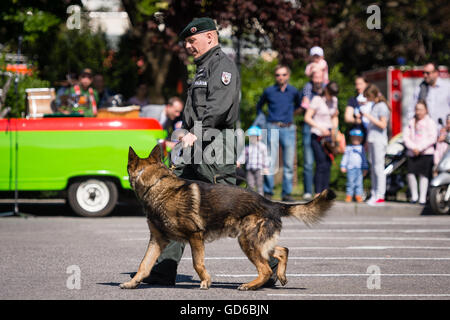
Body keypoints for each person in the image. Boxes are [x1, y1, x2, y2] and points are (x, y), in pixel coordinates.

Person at [133, 17, 274, 286]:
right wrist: (185, 133)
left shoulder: (222, 66)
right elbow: (195, 110)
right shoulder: (202, 68)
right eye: (186, 41)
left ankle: (271, 263)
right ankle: (164, 269)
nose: (187, 45)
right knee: (174, 206)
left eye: (191, 40)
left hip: (215, 145)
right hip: (195, 143)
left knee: (235, 209)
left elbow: (218, 107)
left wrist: (195, 132)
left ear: (210, 37)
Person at [256, 64, 302, 201]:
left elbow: (299, 106)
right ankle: (268, 192)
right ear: (275, 76)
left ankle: (286, 193)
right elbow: (259, 107)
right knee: (270, 161)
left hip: (288, 128)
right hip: (272, 127)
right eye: (278, 75)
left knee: (289, 163)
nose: (281, 77)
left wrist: (290, 115)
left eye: (283, 74)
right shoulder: (269, 91)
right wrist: (262, 123)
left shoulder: (293, 91)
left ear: (288, 76)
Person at [304, 81, 339, 194]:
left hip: (329, 136)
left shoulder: (334, 100)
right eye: (331, 93)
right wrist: (320, 128)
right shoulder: (317, 100)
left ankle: (325, 192)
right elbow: (307, 118)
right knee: (321, 163)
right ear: (326, 90)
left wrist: (335, 130)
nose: (332, 96)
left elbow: (334, 117)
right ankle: (318, 193)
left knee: (328, 163)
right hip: (317, 135)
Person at [360, 84, 391, 206]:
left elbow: (383, 124)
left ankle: (380, 195)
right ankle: (374, 193)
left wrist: (368, 117)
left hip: (379, 140)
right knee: (373, 167)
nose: (367, 99)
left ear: (373, 95)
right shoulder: (375, 105)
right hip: (372, 139)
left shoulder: (382, 106)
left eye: (368, 97)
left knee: (378, 168)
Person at [403, 100, 438, 205]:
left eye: (421, 109)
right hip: (413, 152)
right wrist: (413, 147)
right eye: (417, 109)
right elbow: (406, 137)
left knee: (424, 175)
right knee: (411, 174)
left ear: (426, 110)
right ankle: (414, 196)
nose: (418, 112)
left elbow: (432, 138)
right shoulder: (411, 122)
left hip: (426, 152)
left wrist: (420, 147)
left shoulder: (430, 122)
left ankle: (422, 198)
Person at [300, 71, 326, 200]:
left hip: (322, 128)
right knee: (308, 161)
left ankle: (321, 189)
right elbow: (304, 105)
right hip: (309, 127)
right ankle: (308, 191)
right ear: (312, 78)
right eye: (315, 77)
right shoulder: (307, 88)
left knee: (322, 161)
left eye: (320, 77)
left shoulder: (326, 89)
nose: (317, 80)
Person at [412, 62, 450, 128]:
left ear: (436, 73)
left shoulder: (447, 87)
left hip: (444, 131)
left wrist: (447, 127)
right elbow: (411, 110)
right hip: (425, 132)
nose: (425, 75)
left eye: (428, 73)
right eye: (423, 73)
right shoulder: (419, 89)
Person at [237, 126, 269, 196]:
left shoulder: (262, 147)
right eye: (251, 137)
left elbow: (265, 158)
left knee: (259, 185)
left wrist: (266, 167)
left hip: (259, 169)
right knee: (250, 185)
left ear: (259, 137)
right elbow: (243, 156)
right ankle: (251, 198)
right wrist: (239, 162)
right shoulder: (247, 147)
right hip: (250, 170)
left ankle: (260, 199)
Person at [340, 128, 369, 203]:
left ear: (361, 139)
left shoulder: (362, 148)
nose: (356, 139)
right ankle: (349, 195)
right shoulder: (348, 148)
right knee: (350, 182)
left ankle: (358, 196)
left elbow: (364, 159)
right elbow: (345, 157)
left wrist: (365, 168)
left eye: (358, 138)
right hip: (350, 168)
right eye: (354, 138)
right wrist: (343, 166)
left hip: (359, 169)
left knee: (359, 183)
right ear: (351, 138)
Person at [344, 76, 369, 143]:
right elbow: (347, 118)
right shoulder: (353, 100)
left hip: (371, 133)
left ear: (367, 84)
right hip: (358, 135)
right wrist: (357, 121)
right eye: (356, 84)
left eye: (360, 84)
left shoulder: (372, 99)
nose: (358, 87)